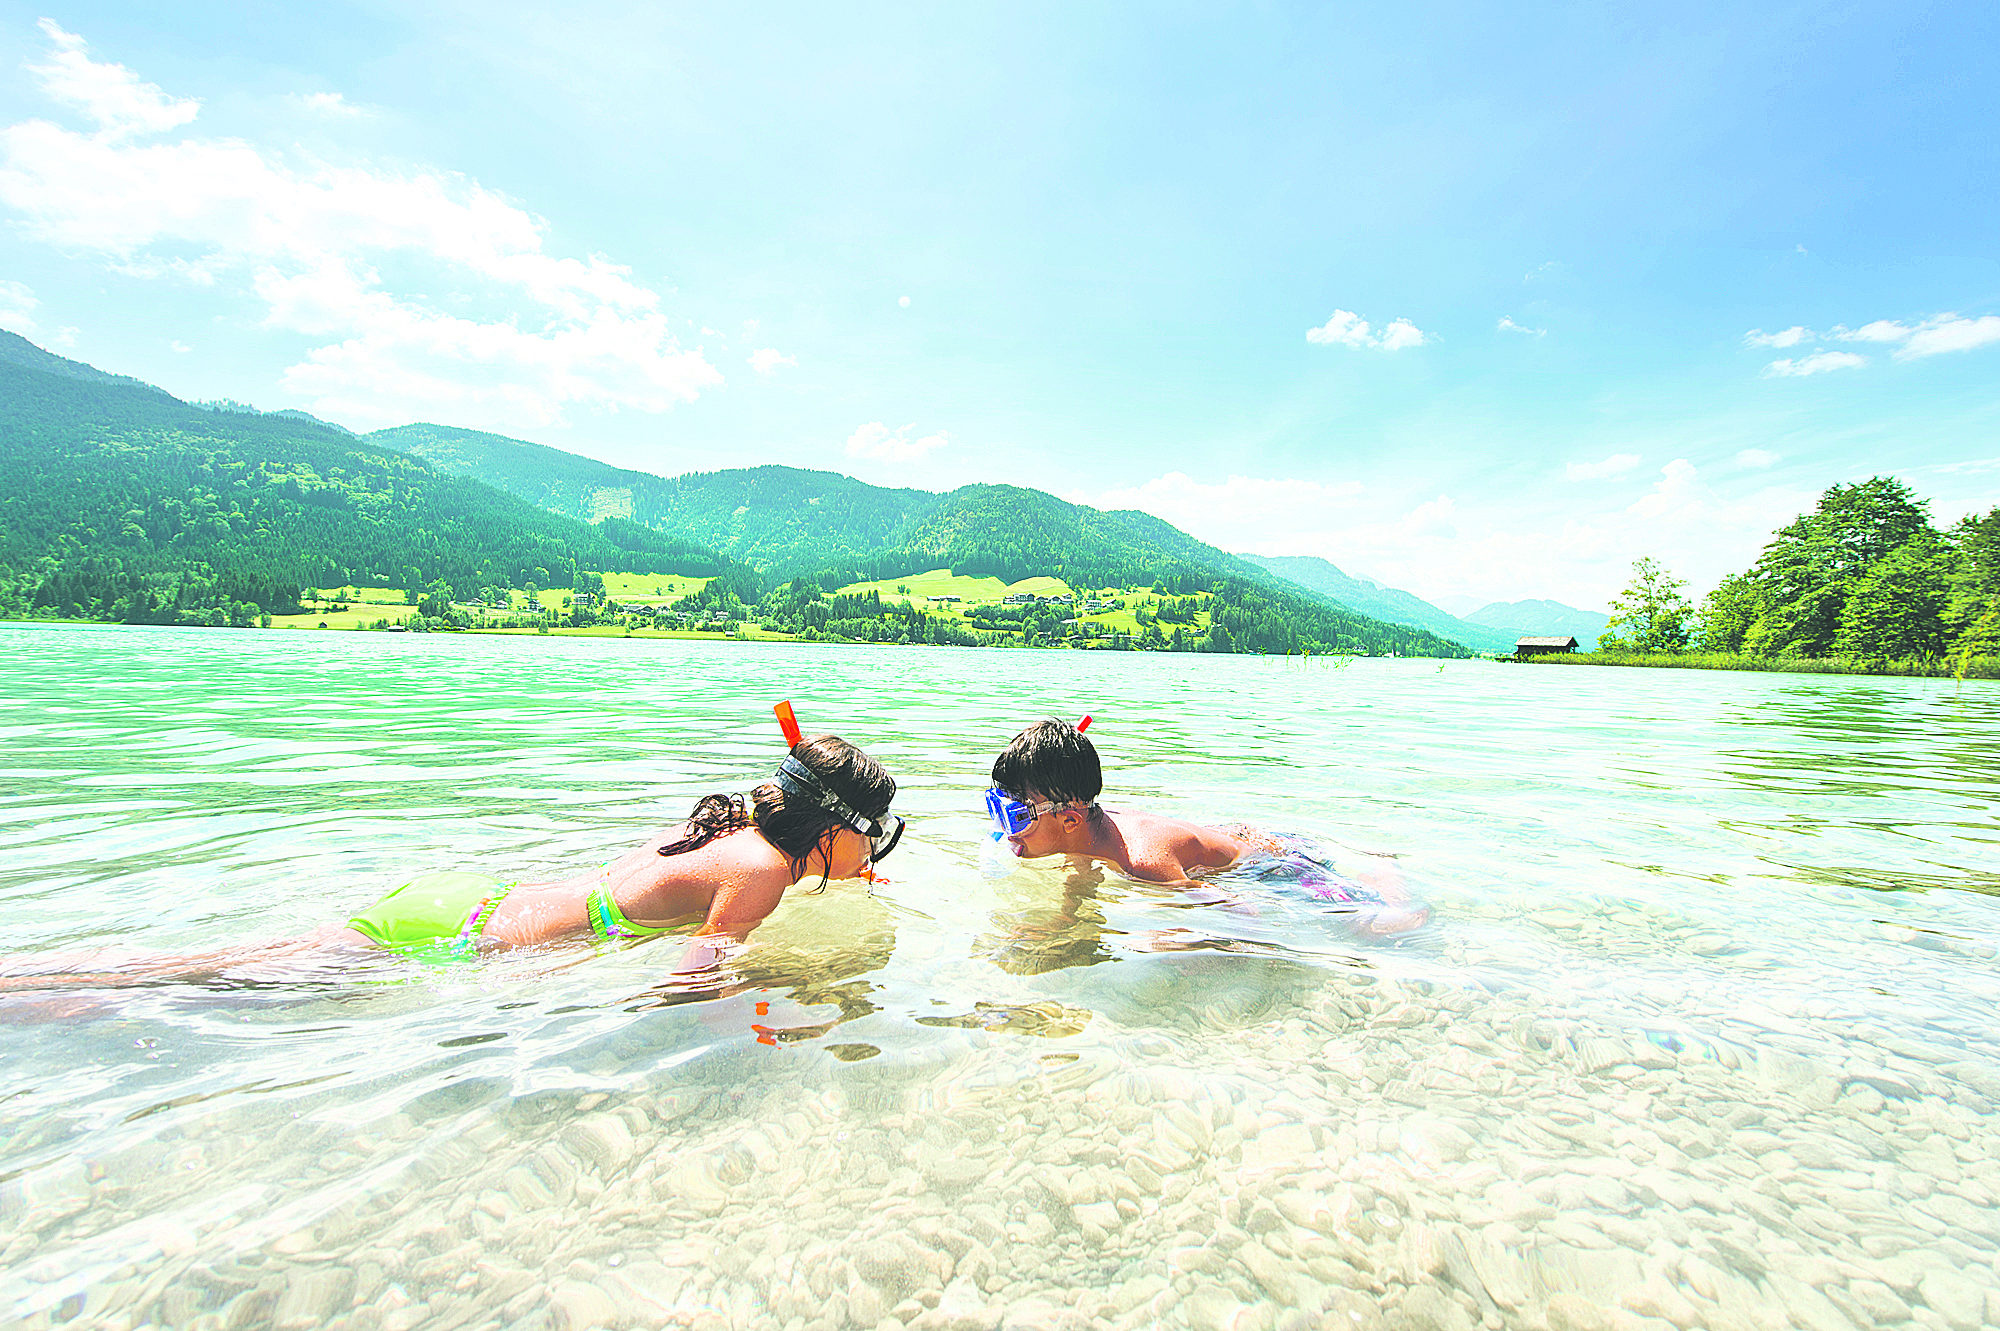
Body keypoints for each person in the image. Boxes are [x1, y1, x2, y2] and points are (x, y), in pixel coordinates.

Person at [3, 727, 901, 992]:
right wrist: (729, 1040)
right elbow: (706, 959)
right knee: (188, 980)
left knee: (233, 959)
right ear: (834, 827)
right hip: (480, 941)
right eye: (875, 830)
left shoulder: (733, 831)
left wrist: (846, 872)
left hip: (472, 896)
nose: (877, 848)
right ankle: (50, 989)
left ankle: (49, 975)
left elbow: (695, 902)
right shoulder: (765, 873)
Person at [984, 717, 1426, 934]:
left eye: (1016, 817)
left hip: (1269, 865)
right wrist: (1066, 920)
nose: (1006, 831)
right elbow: (1082, 873)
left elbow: (1240, 912)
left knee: (1383, 925)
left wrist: (1178, 941)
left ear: (1068, 818)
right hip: (1235, 838)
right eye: (995, 808)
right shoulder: (1083, 830)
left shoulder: (1144, 864)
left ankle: (1385, 871)